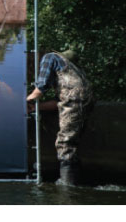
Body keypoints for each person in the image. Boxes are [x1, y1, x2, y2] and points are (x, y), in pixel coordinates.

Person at [26, 49, 94, 185]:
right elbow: (60, 101)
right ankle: (77, 181)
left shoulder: (49, 57)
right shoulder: (72, 73)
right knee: (73, 142)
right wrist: (35, 107)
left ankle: (67, 186)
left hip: (74, 101)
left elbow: (41, 87)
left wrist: (27, 100)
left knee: (65, 143)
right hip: (86, 102)